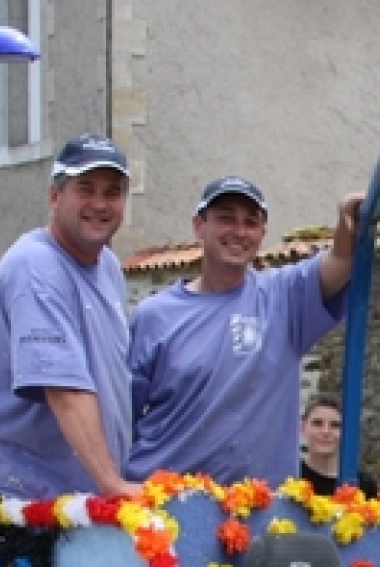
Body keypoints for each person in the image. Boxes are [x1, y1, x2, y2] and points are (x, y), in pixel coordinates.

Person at [126, 176, 362, 487]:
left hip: (259, 506)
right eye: (226, 218)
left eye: (250, 222)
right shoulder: (154, 315)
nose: (239, 231)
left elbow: (342, 259)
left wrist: (349, 220)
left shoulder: (284, 298)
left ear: (262, 233)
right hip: (169, 502)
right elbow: (121, 417)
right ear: (199, 225)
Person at [0, 133, 142, 500]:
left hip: (88, 502)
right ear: (55, 196)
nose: (99, 204)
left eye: (112, 193)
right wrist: (113, 484)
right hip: (35, 506)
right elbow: (65, 389)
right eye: (85, 189)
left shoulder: (108, 267)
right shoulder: (36, 264)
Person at [300, 392, 379, 499]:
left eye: (335, 425)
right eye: (317, 423)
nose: (325, 432)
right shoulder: (290, 477)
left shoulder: (364, 485)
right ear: (303, 427)